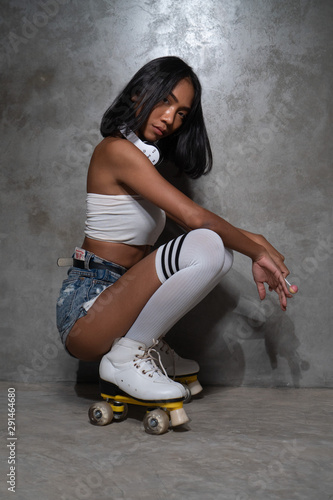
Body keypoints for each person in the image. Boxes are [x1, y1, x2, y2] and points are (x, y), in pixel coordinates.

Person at [56, 56, 292, 409]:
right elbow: (197, 219)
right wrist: (256, 251)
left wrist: (253, 239)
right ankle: (128, 354)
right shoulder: (115, 150)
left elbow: (191, 220)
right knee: (211, 247)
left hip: (123, 298)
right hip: (89, 308)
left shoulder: (142, 159)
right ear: (138, 94)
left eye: (182, 112)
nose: (171, 118)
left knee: (216, 249)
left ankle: (139, 341)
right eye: (165, 100)